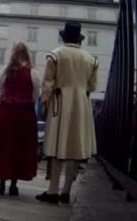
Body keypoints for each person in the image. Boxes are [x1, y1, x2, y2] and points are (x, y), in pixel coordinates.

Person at [36, 21, 98, 204]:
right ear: (79, 39)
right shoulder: (91, 59)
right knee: (75, 148)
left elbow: (47, 85)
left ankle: (52, 190)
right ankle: (66, 191)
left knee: (56, 146)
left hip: (60, 101)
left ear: (64, 37)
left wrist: (44, 106)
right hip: (81, 104)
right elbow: (92, 86)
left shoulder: (55, 55)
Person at [0, 42, 40, 196]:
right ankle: (14, 185)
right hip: (25, 114)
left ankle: (1, 184)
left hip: (6, 112)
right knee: (20, 147)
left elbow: (0, 92)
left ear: (12, 54)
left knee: (3, 146)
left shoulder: (4, 71)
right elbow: (35, 95)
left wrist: (10, 99)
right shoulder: (33, 73)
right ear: (27, 54)